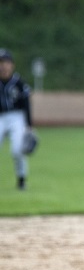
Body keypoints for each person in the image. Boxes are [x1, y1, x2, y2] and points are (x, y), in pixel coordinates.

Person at [0, 48, 34, 190]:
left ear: (12, 65)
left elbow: (26, 103)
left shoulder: (18, 82)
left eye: (5, 62)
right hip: (1, 117)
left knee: (17, 150)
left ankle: (21, 180)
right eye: (0, 62)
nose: (3, 66)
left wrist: (28, 125)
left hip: (17, 116)